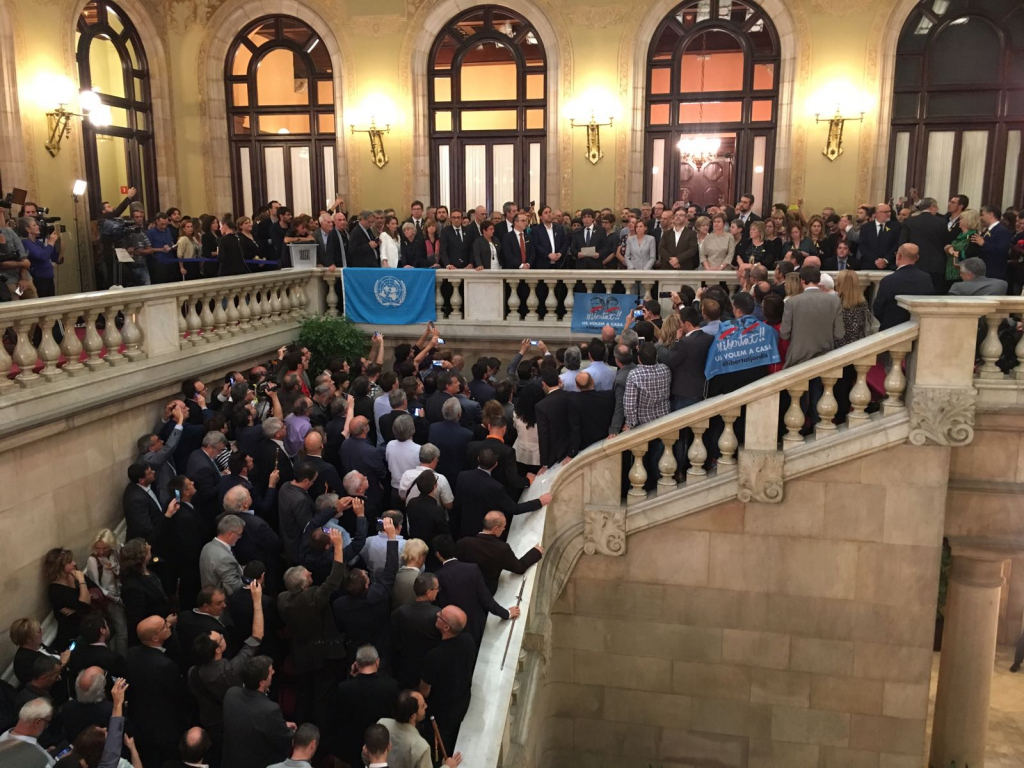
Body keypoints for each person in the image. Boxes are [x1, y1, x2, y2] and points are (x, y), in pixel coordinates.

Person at [277, 528, 349, 724]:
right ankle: (319, 736)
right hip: (324, 653)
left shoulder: (282, 600)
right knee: (322, 697)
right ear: (304, 585)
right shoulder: (313, 598)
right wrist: (339, 547)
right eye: (308, 576)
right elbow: (334, 579)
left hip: (301, 654)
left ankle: (301, 726)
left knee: (304, 694)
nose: (311, 575)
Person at [188, 582, 265, 756]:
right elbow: (256, 637)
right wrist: (257, 601)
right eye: (220, 638)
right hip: (233, 724)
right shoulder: (231, 670)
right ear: (218, 650)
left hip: (210, 725)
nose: (222, 636)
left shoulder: (192, 673)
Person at [124, 615, 188, 768]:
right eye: (165, 626)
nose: (168, 626)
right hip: (162, 726)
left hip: (139, 720)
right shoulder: (165, 666)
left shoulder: (131, 653)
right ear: (155, 638)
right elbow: (178, 696)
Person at [418, 604, 477, 754]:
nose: (437, 614)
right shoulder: (468, 640)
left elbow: (424, 691)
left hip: (440, 712)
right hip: (461, 702)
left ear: (446, 628)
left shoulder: (434, 656)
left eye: (440, 616)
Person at [455, 448, 550, 538]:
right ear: (495, 464)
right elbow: (515, 509)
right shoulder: (495, 487)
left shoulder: (462, 476)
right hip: (483, 531)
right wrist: (539, 502)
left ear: (478, 459)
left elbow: (458, 502)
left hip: (464, 527)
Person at [333, 645, 401, 767]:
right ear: (377, 662)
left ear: (356, 664)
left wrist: (351, 677)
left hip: (350, 751)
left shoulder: (344, 688)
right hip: (379, 748)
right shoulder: (391, 687)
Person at [221, 656, 295, 768]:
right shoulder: (270, 709)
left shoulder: (231, 694)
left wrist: (278, 725)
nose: (273, 672)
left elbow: (250, 720)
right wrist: (288, 730)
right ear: (262, 682)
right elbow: (285, 741)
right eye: (270, 672)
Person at [456, 511, 543, 595]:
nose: (504, 529)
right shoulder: (502, 549)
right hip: (485, 591)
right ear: (495, 529)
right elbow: (519, 568)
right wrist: (535, 552)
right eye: (503, 526)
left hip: (463, 585)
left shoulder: (463, 542)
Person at [780, 265, 845, 367]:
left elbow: (784, 333)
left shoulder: (792, 302)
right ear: (818, 280)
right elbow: (839, 334)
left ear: (802, 281)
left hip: (797, 358)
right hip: (825, 357)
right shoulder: (834, 301)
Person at [119, 539, 174, 646]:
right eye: (145, 546)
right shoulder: (132, 587)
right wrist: (166, 623)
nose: (149, 546)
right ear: (141, 556)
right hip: (153, 638)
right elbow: (137, 621)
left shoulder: (149, 571)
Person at [873, 243, 934, 331]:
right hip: (917, 330)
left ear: (898, 256)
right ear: (917, 258)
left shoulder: (888, 280)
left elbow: (878, 309)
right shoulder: (926, 278)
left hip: (891, 329)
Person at [42, 548, 93, 653]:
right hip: (72, 634)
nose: (74, 563)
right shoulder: (55, 589)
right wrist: (82, 582)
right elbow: (85, 604)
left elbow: (93, 593)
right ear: (60, 567)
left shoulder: (74, 576)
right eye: (70, 562)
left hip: (88, 627)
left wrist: (76, 609)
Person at [899, 197, 951, 293]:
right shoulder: (942, 222)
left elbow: (903, 243)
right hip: (936, 265)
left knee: (914, 293)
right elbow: (946, 242)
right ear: (932, 207)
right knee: (934, 294)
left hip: (915, 263)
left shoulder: (910, 221)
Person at [1, 698, 57, 765]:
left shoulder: (4, 736)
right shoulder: (44, 760)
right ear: (37, 722)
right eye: (47, 722)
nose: (46, 726)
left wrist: (44, 752)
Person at [199, 515, 246, 595]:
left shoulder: (207, 546)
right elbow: (235, 588)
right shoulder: (224, 558)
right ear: (230, 534)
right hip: (223, 603)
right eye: (239, 534)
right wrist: (252, 580)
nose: (239, 537)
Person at [16, 216, 62, 296]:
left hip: (48, 277)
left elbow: (53, 257)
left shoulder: (37, 242)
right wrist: (51, 243)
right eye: (34, 225)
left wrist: (56, 242)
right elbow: (42, 257)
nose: (38, 226)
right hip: (39, 279)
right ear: (27, 229)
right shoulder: (25, 242)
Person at [536, 370, 572, 468]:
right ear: (559, 380)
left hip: (556, 452)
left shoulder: (541, 406)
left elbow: (544, 434)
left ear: (543, 384)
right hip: (572, 446)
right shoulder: (571, 396)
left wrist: (544, 462)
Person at [973, 205, 1012, 283]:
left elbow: (1002, 250)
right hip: (984, 272)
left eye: (982, 215)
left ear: (991, 214)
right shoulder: (987, 230)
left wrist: (984, 243)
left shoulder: (1001, 230)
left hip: (994, 273)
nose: (980, 218)